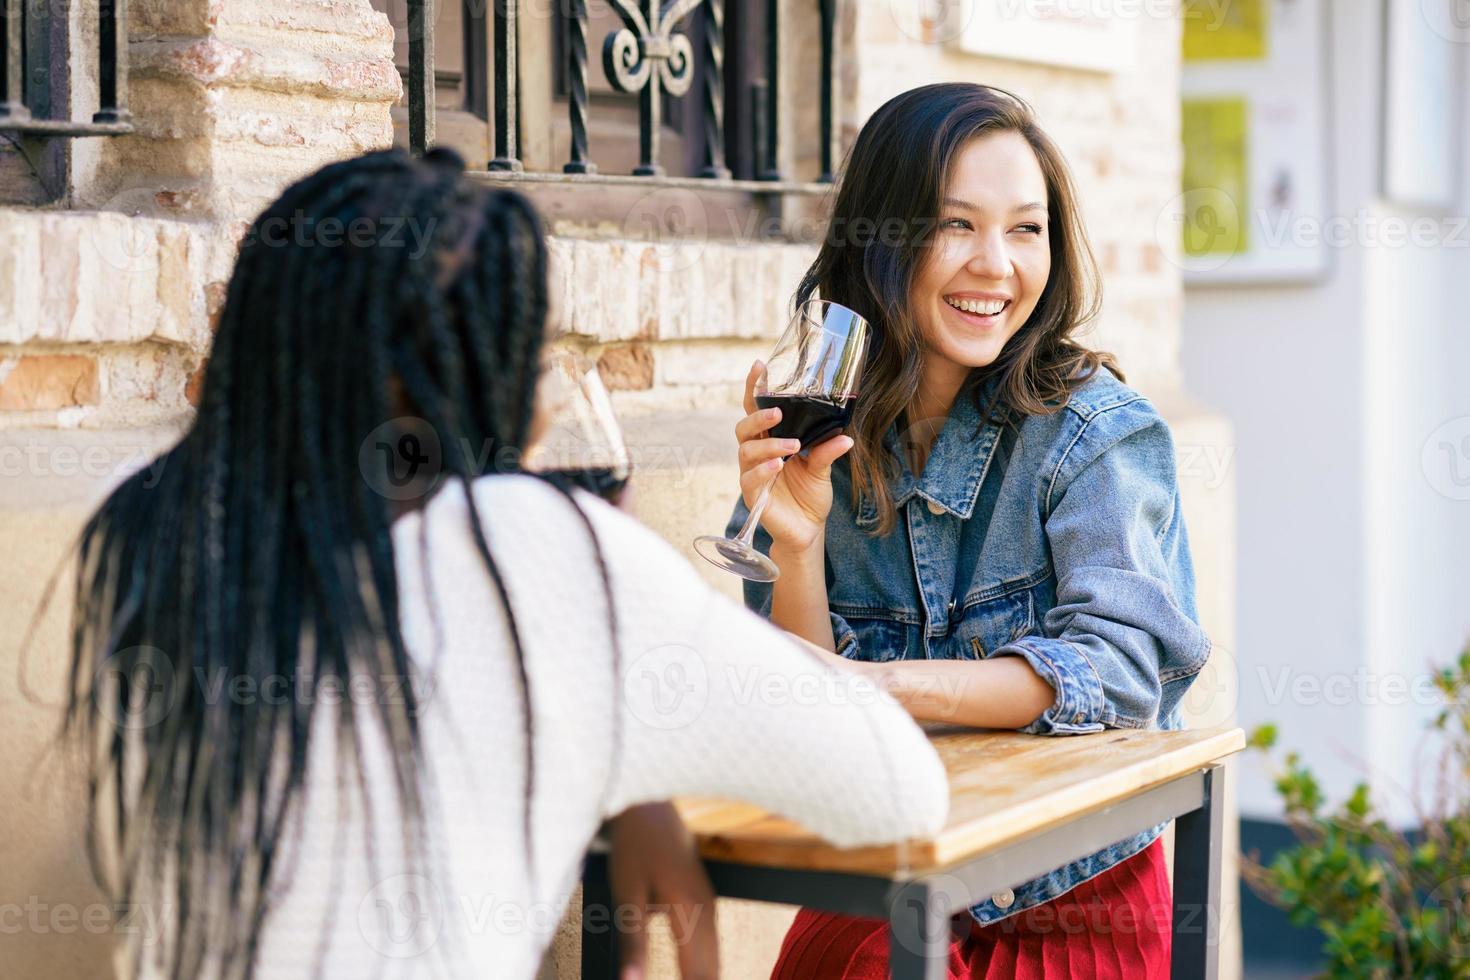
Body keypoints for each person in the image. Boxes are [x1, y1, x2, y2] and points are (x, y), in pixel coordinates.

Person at [61, 148, 950, 980]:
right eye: (526, 349)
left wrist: (629, 772)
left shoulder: (149, 516)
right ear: (453, 372)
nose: (549, 386)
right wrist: (652, 634)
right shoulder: (526, 544)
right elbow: (897, 792)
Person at [726, 83, 1211, 978]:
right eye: (956, 225)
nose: (997, 264)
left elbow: (1125, 671)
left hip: (1075, 895)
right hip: (891, 874)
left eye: (1026, 229)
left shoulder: (1096, 435)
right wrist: (792, 547)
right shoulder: (825, 435)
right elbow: (802, 720)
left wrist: (889, 686)